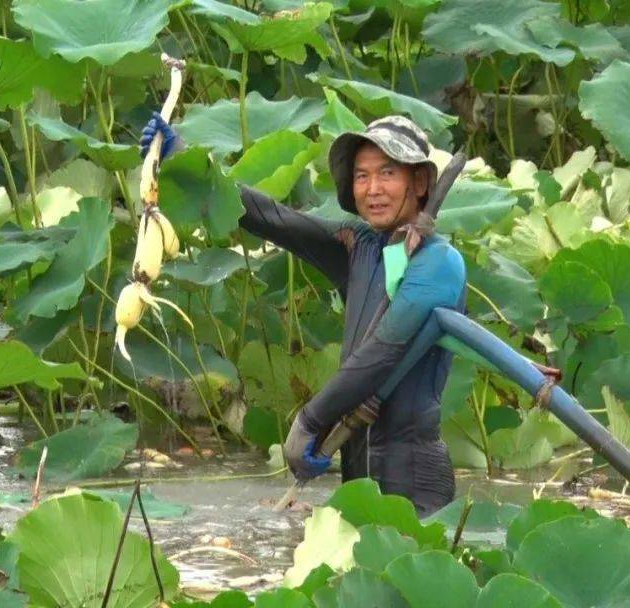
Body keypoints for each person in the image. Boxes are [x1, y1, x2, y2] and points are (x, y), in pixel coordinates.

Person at [141, 113, 465, 516]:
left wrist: (310, 421)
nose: (373, 189)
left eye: (388, 173)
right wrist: (183, 158)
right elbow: (273, 219)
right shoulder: (359, 246)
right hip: (357, 470)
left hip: (414, 477)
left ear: (419, 183)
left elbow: (382, 352)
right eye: (362, 176)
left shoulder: (439, 263)